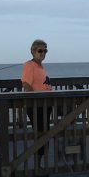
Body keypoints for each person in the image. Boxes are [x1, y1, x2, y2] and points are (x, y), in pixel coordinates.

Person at [21, 39, 52, 170]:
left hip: (45, 104)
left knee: (45, 133)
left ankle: (42, 163)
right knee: (40, 134)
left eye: (45, 50)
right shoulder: (29, 65)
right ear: (33, 51)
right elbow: (26, 84)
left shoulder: (40, 67)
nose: (43, 53)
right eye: (40, 50)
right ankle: (38, 166)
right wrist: (34, 99)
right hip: (36, 105)